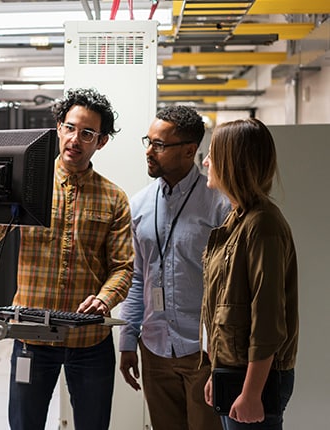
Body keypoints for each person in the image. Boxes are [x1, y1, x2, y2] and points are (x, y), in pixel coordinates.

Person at [0, 88, 133, 430]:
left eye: (87, 133)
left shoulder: (114, 198)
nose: (75, 139)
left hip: (89, 342)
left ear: (102, 141)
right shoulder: (28, 183)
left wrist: (105, 298)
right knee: (24, 425)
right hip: (32, 337)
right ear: (59, 128)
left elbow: (123, 267)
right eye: (69, 128)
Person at [117, 105, 230, 430]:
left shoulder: (219, 205)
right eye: (148, 142)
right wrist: (128, 341)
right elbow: (139, 278)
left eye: (160, 145)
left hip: (204, 353)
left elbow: (228, 286)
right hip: (154, 349)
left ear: (189, 151)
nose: (149, 152)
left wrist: (222, 354)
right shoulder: (139, 205)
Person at [201, 118, 298, 429]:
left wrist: (252, 391)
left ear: (232, 164)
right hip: (235, 371)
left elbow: (267, 317)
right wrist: (217, 371)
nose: (205, 162)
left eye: (212, 155)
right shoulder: (238, 219)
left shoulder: (262, 225)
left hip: (254, 378)